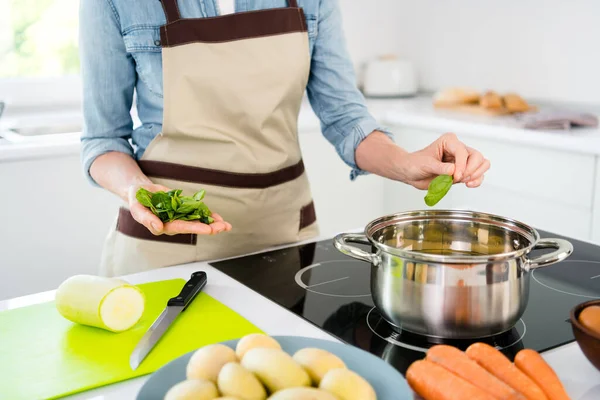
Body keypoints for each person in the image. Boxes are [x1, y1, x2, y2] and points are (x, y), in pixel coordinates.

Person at [79, 0, 490, 277]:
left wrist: (405, 164)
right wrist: (138, 191)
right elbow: (103, 139)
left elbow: (345, 117)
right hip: (164, 243)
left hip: (283, 240)